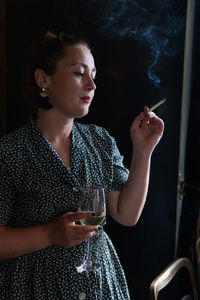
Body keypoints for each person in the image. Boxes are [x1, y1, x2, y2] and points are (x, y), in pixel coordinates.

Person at [0, 30, 164, 300]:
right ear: (43, 79)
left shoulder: (100, 141)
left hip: (99, 286)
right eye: (79, 73)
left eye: (94, 75)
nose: (92, 85)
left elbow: (126, 213)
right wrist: (49, 233)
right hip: (35, 289)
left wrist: (143, 151)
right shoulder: (10, 153)